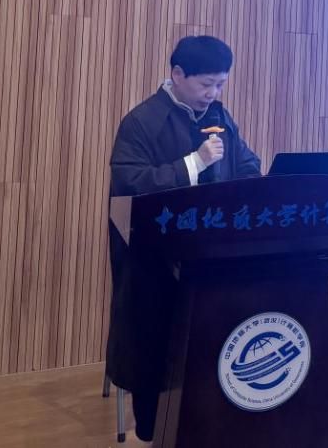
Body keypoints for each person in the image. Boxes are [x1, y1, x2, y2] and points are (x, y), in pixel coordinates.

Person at [105, 35, 261, 443]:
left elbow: (247, 165)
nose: (214, 94)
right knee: (156, 348)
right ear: (177, 74)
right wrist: (195, 162)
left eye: (220, 84)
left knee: (213, 340)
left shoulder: (220, 116)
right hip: (154, 263)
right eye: (206, 84)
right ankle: (153, 432)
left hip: (213, 257)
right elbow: (130, 184)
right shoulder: (142, 121)